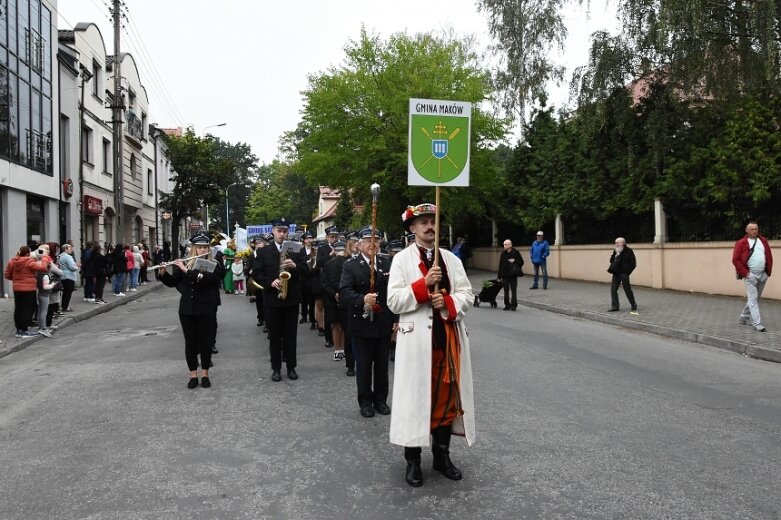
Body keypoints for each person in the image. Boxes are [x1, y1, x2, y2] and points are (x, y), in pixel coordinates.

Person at [387, 203, 475, 487]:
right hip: (416, 344)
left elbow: (467, 295)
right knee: (415, 399)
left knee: (446, 400)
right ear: (412, 228)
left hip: (447, 342)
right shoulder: (401, 260)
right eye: (423, 222)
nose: (429, 227)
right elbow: (394, 301)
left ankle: (441, 456)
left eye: (432, 221)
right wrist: (424, 286)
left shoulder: (451, 259)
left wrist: (448, 302)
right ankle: (412, 461)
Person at [340, 229, 396, 417]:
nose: (373, 244)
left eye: (376, 240)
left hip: (383, 323)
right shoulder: (351, 266)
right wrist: (362, 298)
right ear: (359, 244)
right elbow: (345, 293)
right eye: (367, 240)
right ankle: (365, 402)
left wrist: (396, 318)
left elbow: (394, 293)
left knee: (381, 365)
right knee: (363, 366)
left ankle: (380, 400)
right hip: (361, 323)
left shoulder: (387, 262)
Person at [159, 231, 225, 389]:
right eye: (199, 247)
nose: (202, 250)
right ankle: (193, 375)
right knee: (190, 343)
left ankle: (205, 374)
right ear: (194, 248)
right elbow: (172, 282)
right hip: (187, 310)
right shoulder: (186, 263)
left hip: (206, 309)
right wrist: (163, 272)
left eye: (205, 247)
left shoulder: (213, 264)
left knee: (205, 342)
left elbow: (208, 280)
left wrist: (186, 270)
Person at [251, 218, 308, 382]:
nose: (282, 234)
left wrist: (295, 266)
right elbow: (257, 273)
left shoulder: (297, 250)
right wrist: (270, 282)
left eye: (284, 231)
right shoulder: (263, 252)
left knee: (291, 335)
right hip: (272, 299)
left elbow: (306, 270)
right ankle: (276, 368)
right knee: (274, 335)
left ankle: (291, 367)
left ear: (287, 232)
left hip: (291, 299)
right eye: (279, 231)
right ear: (273, 231)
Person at [732, 221, 773, 332]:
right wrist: (746, 274)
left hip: (763, 275)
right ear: (747, 230)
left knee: (755, 298)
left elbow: (769, 256)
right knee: (753, 299)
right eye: (752, 229)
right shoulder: (741, 243)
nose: (754, 231)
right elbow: (735, 260)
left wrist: (767, 272)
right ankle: (757, 323)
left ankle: (743, 317)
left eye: (756, 229)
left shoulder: (763, 241)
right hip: (750, 275)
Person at [5, 245, 51, 337]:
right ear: (27, 253)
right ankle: (24, 330)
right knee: (27, 309)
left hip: (17, 288)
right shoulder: (29, 261)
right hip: (29, 289)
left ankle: (18, 330)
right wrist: (45, 258)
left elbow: (7, 275)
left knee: (18, 308)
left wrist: (16, 280)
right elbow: (43, 268)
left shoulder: (12, 261)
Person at [322, 240, 349, 363]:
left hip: (339, 295)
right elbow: (325, 283)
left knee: (341, 324)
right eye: (339, 250)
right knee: (336, 324)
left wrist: (337, 293)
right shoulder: (328, 265)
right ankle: (338, 349)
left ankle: (341, 349)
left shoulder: (348, 263)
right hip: (334, 296)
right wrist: (335, 294)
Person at [607, 237, 637, 312]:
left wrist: (627, 272)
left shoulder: (629, 251)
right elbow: (611, 261)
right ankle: (615, 306)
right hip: (616, 273)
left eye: (617, 243)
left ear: (623, 243)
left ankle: (633, 304)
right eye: (615, 243)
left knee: (627, 290)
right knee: (613, 290)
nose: (616, 244)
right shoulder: (616, 251)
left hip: (624, 273)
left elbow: (633, 264)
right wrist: (616, 255)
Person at [498, 239, 524, 311]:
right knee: (506, 291)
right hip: (505, 275)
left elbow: (521, 262)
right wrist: (499, 277)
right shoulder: (503, 254)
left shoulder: (516, 253)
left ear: (510, 245)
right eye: (504, 244)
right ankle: (507, 305)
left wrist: (515, 261)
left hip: (513, 275)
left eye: (506, 244)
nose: (504, 246)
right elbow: (500, 265)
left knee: (513, 291)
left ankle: (513, 305)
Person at [58, 243, 79, 312]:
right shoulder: (68, 257)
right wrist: (77, 266)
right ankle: (65, 307)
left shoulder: (60, 256)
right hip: (69, 276)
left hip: (62, 275)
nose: (71, 250)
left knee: (64, 292)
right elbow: (72, 267)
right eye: (70, 249)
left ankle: (63, 306)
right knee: (68, 292)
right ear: (65, 249)